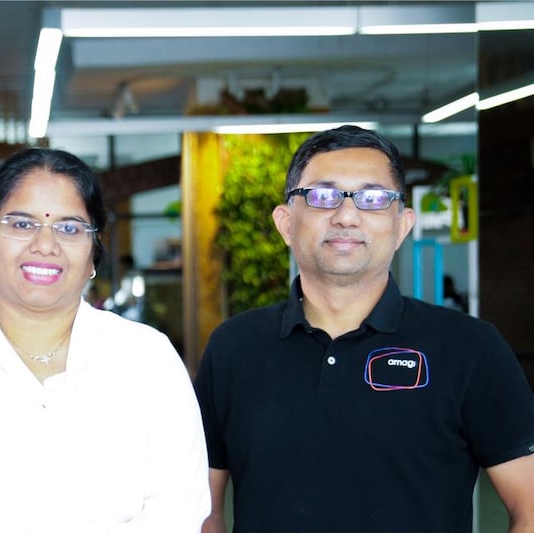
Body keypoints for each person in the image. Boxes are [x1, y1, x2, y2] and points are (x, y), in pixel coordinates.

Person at [195, 125, 534, 533]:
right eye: (323, 196)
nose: (347, 215)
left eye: (373, 198)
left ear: (402, 224)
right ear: (286, 223)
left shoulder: (470, 348)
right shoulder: (234, 348)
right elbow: (203, 511)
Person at [0, 148, 209, 532]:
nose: (45, 245)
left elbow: (178, 508)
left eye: (69, 228)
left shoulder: (148, 359)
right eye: (21, 224)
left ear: (93, 252)